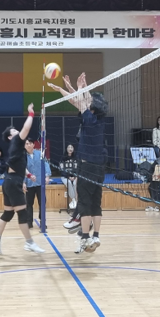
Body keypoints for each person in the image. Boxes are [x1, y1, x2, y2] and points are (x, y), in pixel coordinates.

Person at [49, 72, 107, 254]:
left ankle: (84, 237)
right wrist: (66, 88)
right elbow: (78, 101)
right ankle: (95, 236)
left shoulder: (89, 119)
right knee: (96, 203)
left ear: (93, 107)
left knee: (84, 202)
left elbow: (81, 102)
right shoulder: (97, 118)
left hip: (87, 165)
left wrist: (80, 87)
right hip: (100, 167)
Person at [0, 103, 46, 255]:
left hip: (9, 181)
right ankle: (29, 243)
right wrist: (31, 113)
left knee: (8, 213)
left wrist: (28, 175)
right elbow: (26, 129)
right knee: (22, 213)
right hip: (13, 182)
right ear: (10, 136)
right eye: (14, 131)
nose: (18, 131)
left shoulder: (17, 148)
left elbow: (17, 166)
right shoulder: (16, 141)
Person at [25, 138, 51, 228]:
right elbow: (22, 170)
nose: (28, 145)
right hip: (29, 183)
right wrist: (23, 182)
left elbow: (46, 164)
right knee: (29, 203)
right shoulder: (23, 156)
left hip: (40, 183)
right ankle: (29, 222)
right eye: (26, 144)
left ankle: (42, 221)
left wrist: (47, 176)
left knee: (42, 202)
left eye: (30, 143)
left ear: (33, 144)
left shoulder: (40, 154)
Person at [60, 144, 79, 210]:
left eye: (71, 147)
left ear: (73, 149)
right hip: (65, 177)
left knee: (75, 183)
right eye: (69, 147)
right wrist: (68, 177)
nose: (70, 148)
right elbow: (62, 170)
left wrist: (74, 176)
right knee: (69, 183)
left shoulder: (76, 158)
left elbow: (77, 169)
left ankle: (75, 201)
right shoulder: (63, 158)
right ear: (66, 149)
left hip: (74, 176)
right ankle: (73, 200)